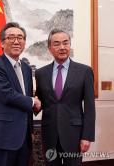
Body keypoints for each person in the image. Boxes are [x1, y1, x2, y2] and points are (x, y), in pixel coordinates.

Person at [35, 29, 96, 166]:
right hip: (49, 134)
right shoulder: (41, 73)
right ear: (50, 48)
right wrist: (33, 104)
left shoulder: (84, 71)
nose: (62, 47)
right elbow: (40, 101)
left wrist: (87, 136)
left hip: (74, 135)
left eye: (65, 43)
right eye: (56, 44)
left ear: (70, 45)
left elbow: (90, 107)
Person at [0, 22, 41, 166]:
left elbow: (25, 97)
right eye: (11, 37)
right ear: (2, 43)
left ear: (24, 42)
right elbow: (6, 94)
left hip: (24, 139)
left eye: (20, 37)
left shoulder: (27, 69)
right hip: (2, 137)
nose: (16, 41)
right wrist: (33, 102)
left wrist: (31, 129)